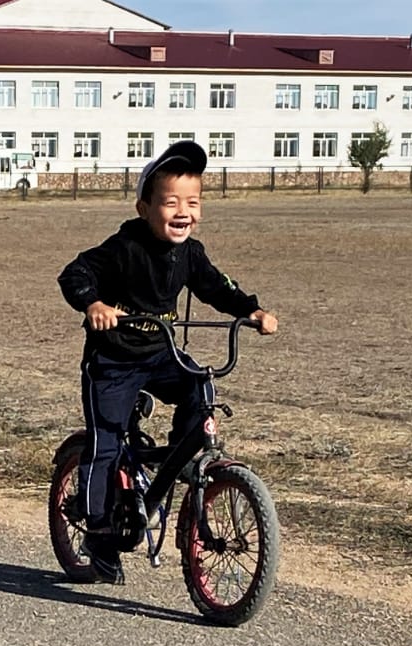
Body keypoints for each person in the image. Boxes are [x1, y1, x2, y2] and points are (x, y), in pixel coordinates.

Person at [56, 140, 278, 584]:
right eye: (170, 202)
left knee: (200, 387)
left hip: (160, 354)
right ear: (144, 208)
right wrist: (94, 304)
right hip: (113, 361)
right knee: (105, 443)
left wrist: (251, 311)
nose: (183, 212)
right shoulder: (125, 247)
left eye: (193, 202)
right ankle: (99, 534)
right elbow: (75, 273)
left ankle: (180, 458)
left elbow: (217, 287)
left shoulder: (190, 253)